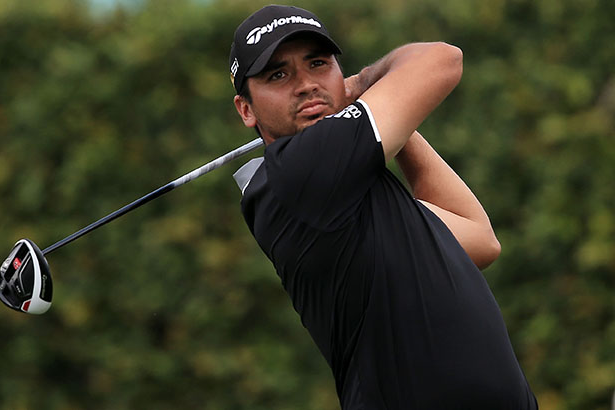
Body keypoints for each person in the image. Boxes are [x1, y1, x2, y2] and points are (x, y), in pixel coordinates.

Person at [228, 5, 538, 410]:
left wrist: (381, 115)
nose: (306, 85)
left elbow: (478, 239)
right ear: (246, 109)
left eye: (319, 64)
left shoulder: (349, 188)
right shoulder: (299, 171)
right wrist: (368, 85)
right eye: (278, 75)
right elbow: (442, 59)